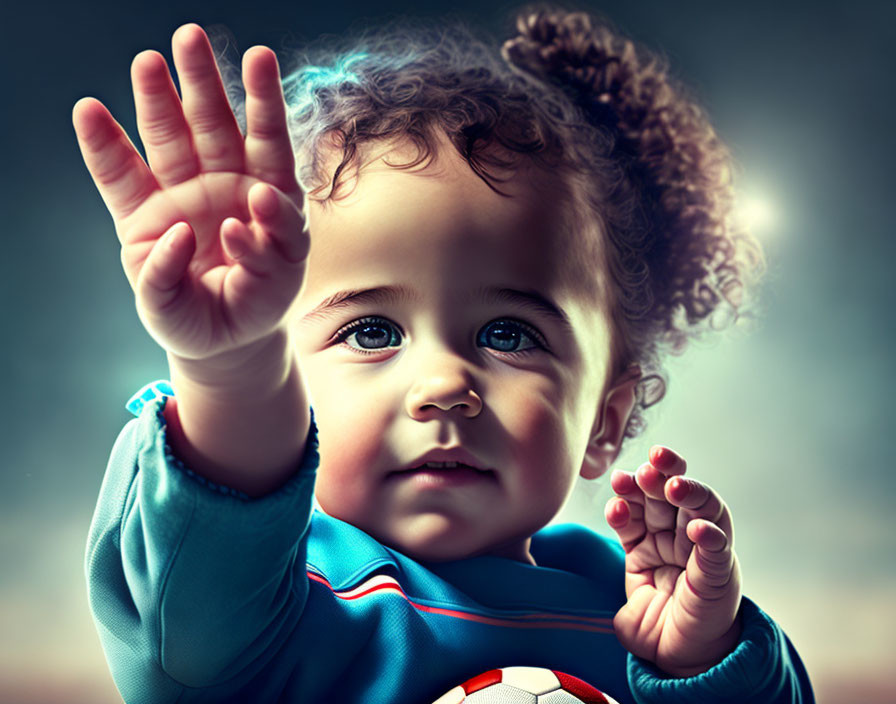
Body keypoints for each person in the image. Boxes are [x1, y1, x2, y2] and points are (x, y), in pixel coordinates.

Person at [74, 5, 814, 703]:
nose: (443, 385)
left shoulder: (624, 602)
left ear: (605, 420)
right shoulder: (264, 604)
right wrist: (232, 369)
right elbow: (211, 560)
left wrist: (703, 658)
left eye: (508, 334)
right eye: (371, 332)